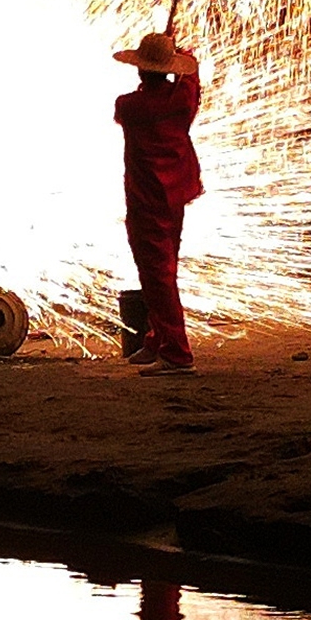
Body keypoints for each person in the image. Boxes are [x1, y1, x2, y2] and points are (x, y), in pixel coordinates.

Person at [113, 29, 202, 374]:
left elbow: (127, 109)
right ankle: (158, 338)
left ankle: (178, 354)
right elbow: (192, 76)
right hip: (175, 195)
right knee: (162, 272)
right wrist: (177, 50)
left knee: (157, 276)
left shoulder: (130, 106)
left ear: (139, 70)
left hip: (146, 199)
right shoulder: (182, 101)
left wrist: (167, 54)